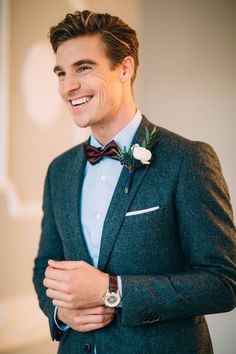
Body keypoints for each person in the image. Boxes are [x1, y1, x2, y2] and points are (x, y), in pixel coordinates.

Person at [33, 10, 236, 354]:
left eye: (84, 68)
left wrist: (112, 289)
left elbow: (223, 283)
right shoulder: (59, 170)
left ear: (124, 68)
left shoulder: (188, 160)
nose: (69, 87)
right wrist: (60, 313)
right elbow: (46, 265)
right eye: (61, 73)